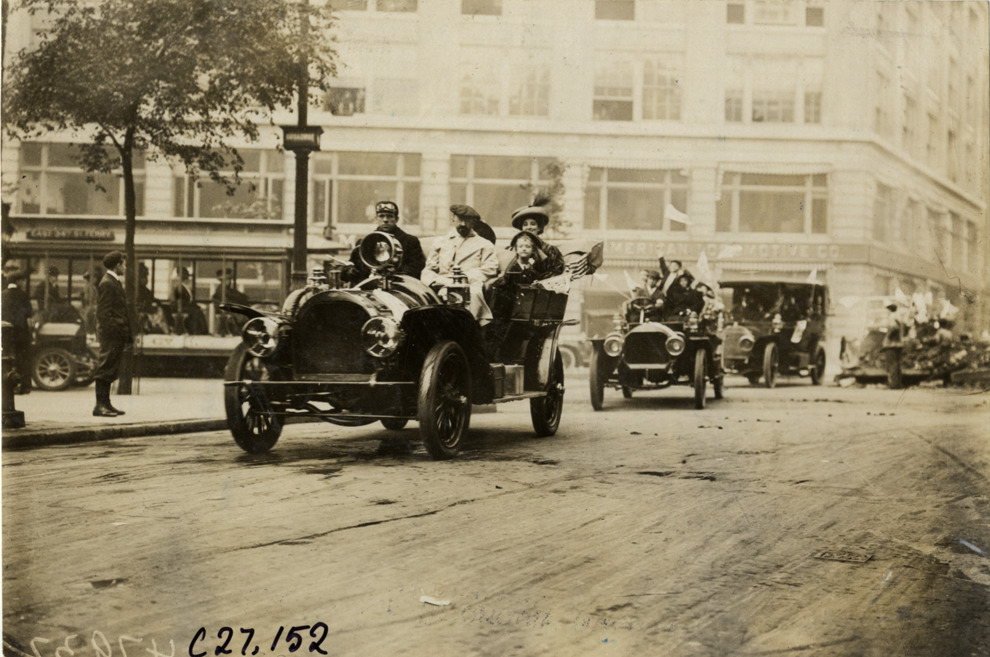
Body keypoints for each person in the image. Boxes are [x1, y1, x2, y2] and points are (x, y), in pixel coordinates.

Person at [422, 204, 498, 322]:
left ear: (473, 222)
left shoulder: (485, 244)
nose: (463, 224)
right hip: (441, 283)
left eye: (467, 220)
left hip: (469, 285)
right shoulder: (440, 242)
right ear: (453, 218)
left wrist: (464, 278)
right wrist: (433, 281)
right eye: (460, 219)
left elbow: (490, 269)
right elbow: (429, 268)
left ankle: (469, 326)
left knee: (473, 295)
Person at [341, 201, 426, 284]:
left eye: (390, 216)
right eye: (381, 216)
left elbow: (416, 268)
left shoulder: (410, 242)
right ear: (376, 219)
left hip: (397, 287)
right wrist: (350, 271)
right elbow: (351, 266)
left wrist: (395, 272)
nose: (385, 220)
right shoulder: (365, 242)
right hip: (369, 287)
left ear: (396, 219)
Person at [93, 251, 132, 417]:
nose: (125, 267)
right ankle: (100, 405)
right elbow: (103, 313)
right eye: (123, 264)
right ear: (117, 265)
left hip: (114, 334)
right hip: (111, 335)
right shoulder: (108, 283)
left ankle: (106, 404)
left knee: (110, 368)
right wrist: (116, 331)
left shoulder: (112, 281)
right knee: (105, 367)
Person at [509, 201, 565, 277]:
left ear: (539, 228)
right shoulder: (514, 248)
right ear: (522, 229)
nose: (529, 227)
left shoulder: (550, 250)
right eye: (525, 224)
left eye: (533, 224)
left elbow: (556, 272)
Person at [2, 270, 34, 394]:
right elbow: (29, 315)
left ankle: (7, 385)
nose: (24, 282)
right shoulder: (23, 295)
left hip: (5, 333)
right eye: (23, 280)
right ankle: (24, 386)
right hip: (21, 333)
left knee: (7, 359)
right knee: (23, 359)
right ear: (18, 281)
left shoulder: (2, 294)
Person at [212, 268, 249, 336]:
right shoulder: (221, 289)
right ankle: (240, 331)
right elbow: (225, 301)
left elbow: (237, 295)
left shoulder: (227, 289)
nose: (229, 281)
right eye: (227, 280)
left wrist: (242, 297)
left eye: (229, 280)